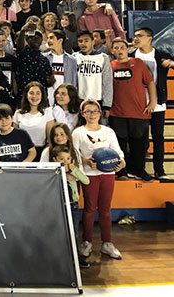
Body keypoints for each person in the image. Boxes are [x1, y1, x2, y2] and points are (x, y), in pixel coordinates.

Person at [72, 99, 125, 261]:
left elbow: (117, 151)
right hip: (89, 175)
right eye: (88, 111)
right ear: (82, 114)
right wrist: (86, 161)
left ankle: (107, 243)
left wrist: (121, 162)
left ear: (100, 113)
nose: (92, 114)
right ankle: (87, 242)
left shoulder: (108, 132)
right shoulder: (78, 132)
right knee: (89, 209)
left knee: (105, 209)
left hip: (107, 174)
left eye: (95, 111)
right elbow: (74, 154)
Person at [110, 38, 156, 180]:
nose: (119, 50)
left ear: (127, 48)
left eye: (122, 47)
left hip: (139, 112)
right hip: (117, 112)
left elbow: (150, 82)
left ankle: (139, 170)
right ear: (112, 51)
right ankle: (122, 171)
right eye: (116, 48)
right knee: (120, 144)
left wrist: (153, 102)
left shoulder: (138, 63)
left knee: (140, 144)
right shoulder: (110, 65)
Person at [131, 27, 174, 179]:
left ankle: (159, 170)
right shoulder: (131, 55)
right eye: (134, 36)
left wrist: (171, 63)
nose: (135, 38)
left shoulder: (160, 54)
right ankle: (138, 169)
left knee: (158, 137)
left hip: (157, 102)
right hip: (136, 103)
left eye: (139, 36)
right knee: (138, 138)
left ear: (150, 38)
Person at [49, 144, 91, 269]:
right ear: (55, 159)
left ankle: (76, 258)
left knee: (73, 233)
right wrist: (62, 176)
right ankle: (59, 257)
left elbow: (86, 181)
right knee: (58, 232)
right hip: (58, 206)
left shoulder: (73, 172)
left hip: (73, 206)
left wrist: (73, 170)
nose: (65, 162)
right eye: (62, 159)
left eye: (68, 159)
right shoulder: (53, 172)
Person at [74, 30, 113, 114]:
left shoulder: (103, 57)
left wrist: (107, 105)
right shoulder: (74, 57)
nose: (83, 43)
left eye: (86, 41)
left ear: (93, 42)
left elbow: (107, 82)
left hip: (98, 101)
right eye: (80, 41)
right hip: (79, 100)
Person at [14, 81, 54, 160]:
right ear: (26, 95)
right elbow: (14, 137)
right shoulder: (18, 113)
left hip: (42, 152)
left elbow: (50, 140)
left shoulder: (48, 112)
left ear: (42, 95)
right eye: (31, 93)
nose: (34, 96)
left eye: (38, 93)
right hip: (22, 153)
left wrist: (45, 155)